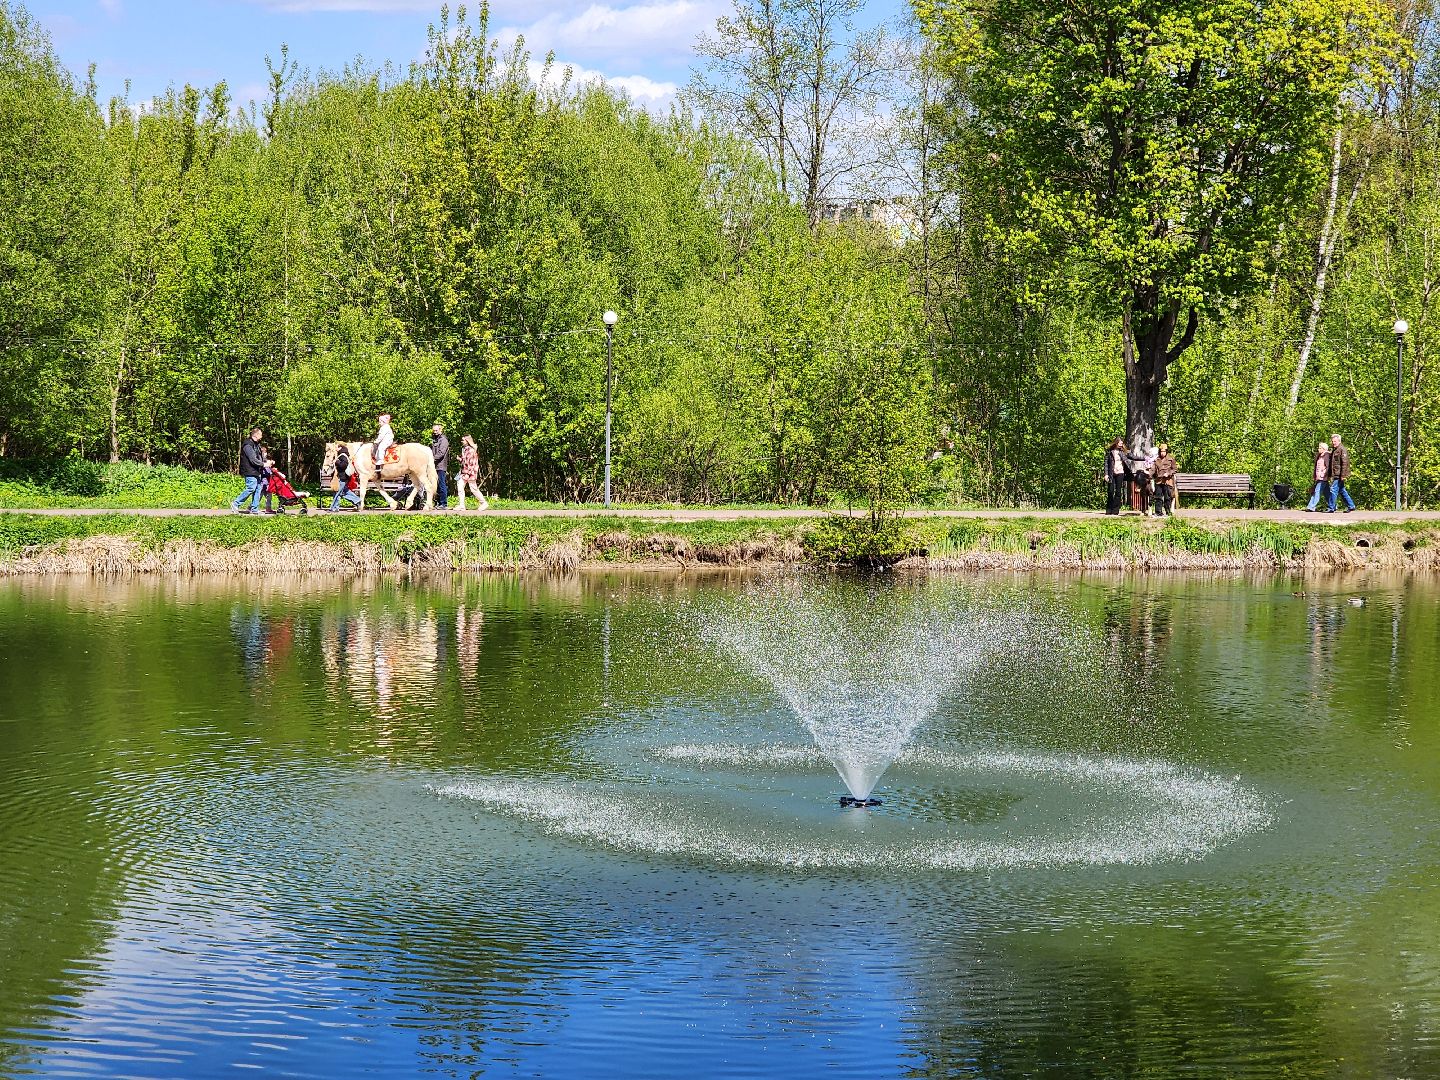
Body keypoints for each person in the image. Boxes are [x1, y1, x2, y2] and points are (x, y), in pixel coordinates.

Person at [231, 427, 266, 514]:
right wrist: (263, 464)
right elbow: (253, 459)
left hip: (257, 470)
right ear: (256, 435)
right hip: (249, 470)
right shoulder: (248, 445)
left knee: (258, 489)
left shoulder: (257, 445)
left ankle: (254, 509)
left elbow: (258, 457)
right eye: (260, 434)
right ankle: (235, 503)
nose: (262, 436)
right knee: (251, 488)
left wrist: (265, 461)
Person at [456, 434, 488, 511]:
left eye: (463, 440)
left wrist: (467, 473)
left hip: (470, 473)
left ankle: (483, 502)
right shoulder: (465, 449)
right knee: (460, 487)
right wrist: (460, 459)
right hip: (464, 472)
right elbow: (465, 461)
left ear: (467, 441)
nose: (462, 441)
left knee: (473, 488)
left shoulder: (471, 450)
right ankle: (461, 505)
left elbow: (471, 463)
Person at [328, 444, 362, 512]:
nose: (336, 448)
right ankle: (357, 501)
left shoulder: (343, 456)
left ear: (340, 447)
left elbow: (343, 465)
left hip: (342, 477)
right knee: (344, 492)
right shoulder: (342, 455)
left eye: (337, 447)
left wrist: (336, 462)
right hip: (343, 478)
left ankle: (334, 508)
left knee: (337, 492)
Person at [1327, 433, 1355, 512]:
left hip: (1339, 474)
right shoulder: (1334, 450)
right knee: (1342, 490)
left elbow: (1345, 463)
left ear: (1339, 441)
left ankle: (1331, 508)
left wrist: (1343, 475)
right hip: (1336, 473)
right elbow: (1332, 463)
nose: (1333, 443)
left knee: (1333, 489)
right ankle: (1351, 505)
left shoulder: (1342, 449)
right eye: (1332, 441)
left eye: (1335, 441)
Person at [1103, 437, 1127, 515]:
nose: (1121, 445)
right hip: (1111, 474)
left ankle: (1115, 510)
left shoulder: (1123, 452)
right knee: (1110, 491)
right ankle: (1109, 509)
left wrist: (1144, 458)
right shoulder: (1110, 452)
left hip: (1120, 473)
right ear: (1116, 443)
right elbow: (1106, 463)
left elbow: (1132, 457)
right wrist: (1106, 474)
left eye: (1122, 443)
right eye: (1120, 443)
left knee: (1118, 492)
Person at [1305, 441, 1331, 512]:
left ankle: (1311, 506)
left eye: (1320, 448)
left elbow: (1328, 467)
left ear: (1324, 449)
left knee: (1317, 491)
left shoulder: (1327, 456)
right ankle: (1333, 505)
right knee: (1327, 493)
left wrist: (1324, 475)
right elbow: (1316, 467)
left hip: (1323, 478)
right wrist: (1315, 476)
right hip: (1319, 477)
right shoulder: (1320, 456)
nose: (1318, 449)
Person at [1152, 443, 1177, 516]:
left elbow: (1174, 469)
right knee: (1158, 497)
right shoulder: (1156, 460)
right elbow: (1153, 469)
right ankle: (1158, 512)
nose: (1162, 453)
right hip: (1158, 481)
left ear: (1166, 451)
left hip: (1167, 481)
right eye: (1161, 451)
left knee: (1167, 497)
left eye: (1164, 451)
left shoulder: (1171, 459)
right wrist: (1149, 474)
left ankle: (1168, 512)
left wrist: (1168, 473)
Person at [430, 422, 450, 510]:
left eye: (436, 430)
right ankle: (437, 502)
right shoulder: (435, 439)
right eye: (434, 430)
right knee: (436, 485)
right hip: (434, 466)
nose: (435, 432)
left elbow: (441, 453)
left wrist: (431, 460)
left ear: (440, 430)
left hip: (441, 466)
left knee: (441, 484)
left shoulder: (443, 440)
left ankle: (443, 503)